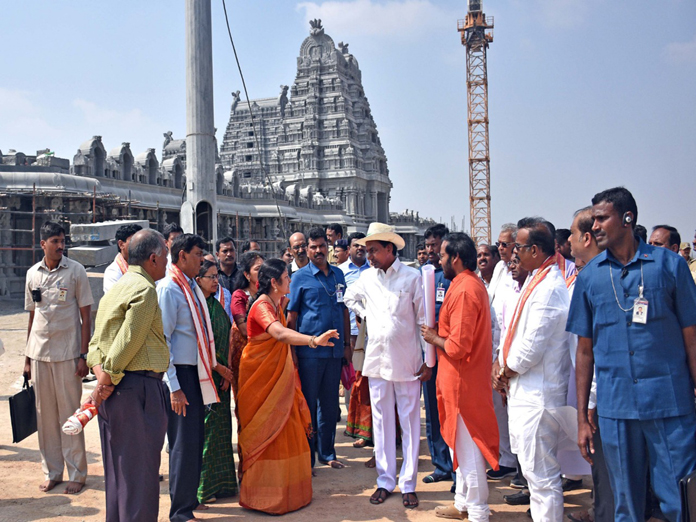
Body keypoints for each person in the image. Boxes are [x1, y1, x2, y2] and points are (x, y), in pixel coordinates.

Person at [568, 187, 696, 522]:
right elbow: (584, 352)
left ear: (627, 218)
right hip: (616, 409)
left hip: (670, 404)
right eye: (592, 219)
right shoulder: (590, 277)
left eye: (601, 218)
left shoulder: (669, 267)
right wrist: (583, 418)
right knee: (625, 505)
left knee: (680, 500)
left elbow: (691, 338)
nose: (594, 226)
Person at [237, 259, 339, 514]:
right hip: (260, 378)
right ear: (274, 282)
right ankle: (264, 497)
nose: (291, 281)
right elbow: (280, 334)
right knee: (265, 432)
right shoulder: (262, 306)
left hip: (278, 377)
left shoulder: (276, 302)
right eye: (287, 277)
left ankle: (289, 492)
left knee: (287, 429)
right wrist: (314, 340)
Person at [344, 222, 431, 509]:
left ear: (389, 249)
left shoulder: (411, 277)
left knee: (409, 423)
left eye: (373, 250)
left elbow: (423, 321)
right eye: (367, 251)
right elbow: (348, 297)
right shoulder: (367, 278)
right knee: (380, 424)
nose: (369, 256)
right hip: (377, 361)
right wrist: (364, 312)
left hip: (407, 361)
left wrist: (429, 359)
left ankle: (408, 483)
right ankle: (385, 481)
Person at [492, 217, 573, 521]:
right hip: (525, 391)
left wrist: (503, 371)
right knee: (535, 472)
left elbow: (531, 348)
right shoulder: (537, 281)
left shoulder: (549, 288)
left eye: (520, 248)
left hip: (537, 395)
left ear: (536, 251)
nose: (515, 253)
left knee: (542, 477)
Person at [87, 229, 170, 521]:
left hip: (117, 391)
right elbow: (127, 341)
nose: (167, 264)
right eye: (166, 257)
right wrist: (105, 382)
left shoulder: (117, 289)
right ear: (153, 259)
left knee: (119, 474)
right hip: (138, 390)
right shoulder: (144, 290)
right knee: (141, 477)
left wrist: (101, 380)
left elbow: (95, 345)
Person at [421, 232, 500, 521]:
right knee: (461, 448)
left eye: (442, 255)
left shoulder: (466, 289)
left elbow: (458, 346)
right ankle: (463, 503)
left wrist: (433, 337)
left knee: (468, 452)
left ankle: (478, 511)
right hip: (457, 382)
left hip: (464, 386)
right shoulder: (463, 284)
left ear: (455, 257)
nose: (438, 259)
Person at [23, 221, 93, 495]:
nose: (60, 245)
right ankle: (52, 471)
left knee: (70, 415)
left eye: (62, 241)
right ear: (43, 244)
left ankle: (77, 473)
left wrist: (83, 355)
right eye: (54, 241)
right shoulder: (32, 274)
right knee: (45, 417)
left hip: (68, 355)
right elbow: (32, 315)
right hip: (39, 353)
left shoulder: (75, 271)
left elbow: (87, 316)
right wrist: (27, 359)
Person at [157, 233, 220, 522]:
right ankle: (180, 512)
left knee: (195, 440)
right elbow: (163, 342)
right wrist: (174, 386)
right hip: (180, 374)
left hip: (196, 372)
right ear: (181, 256)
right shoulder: (171, 289)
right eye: (197, 254)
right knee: (182, 443)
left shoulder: (191, 287)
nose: (201, 260)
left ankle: (189, 499)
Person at [287, 227, 351, 469]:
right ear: (306, 250)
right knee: (309, 404)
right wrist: (293, 349)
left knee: (329, 404)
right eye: (312, 247)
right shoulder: (300, 278)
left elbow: (343, 310)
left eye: (321, 246)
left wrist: (346, 345)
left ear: (329, 247)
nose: (317, 251)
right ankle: (307, 455)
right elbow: (292, 317)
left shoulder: (338, 276)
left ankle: (327, 453)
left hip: (334, 352)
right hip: (309, 354)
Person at [565, 206, 614, 522]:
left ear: (586, 237)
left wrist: (591, 401)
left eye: (571, 234)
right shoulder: (585, 276)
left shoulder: (602, 279)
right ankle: (601, 508)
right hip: (590, 391)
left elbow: (595, 347)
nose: (567, 241)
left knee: (608, 463)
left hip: (604, 393)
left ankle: (605, 512)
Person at [194, 260, 238, 505]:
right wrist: (220, 371)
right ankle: (205, 487)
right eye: (210, 276)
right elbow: (199, 346)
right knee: (208, 435)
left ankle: (224, 485)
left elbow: (227, 337)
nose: (215, 280)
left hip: (224, 378)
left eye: (216, 276)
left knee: (222, 433)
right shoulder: (197, 307)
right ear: (198, 279)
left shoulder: (215, 304)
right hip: (208, 379)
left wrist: (228, 371)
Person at [421, 224, 455, 485]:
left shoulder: (454, 276)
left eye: (436, 245)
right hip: (430, 352)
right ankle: (440, 464)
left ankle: (457, 468)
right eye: (428, 245)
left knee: (453, 412)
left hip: (451, 353)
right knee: (432, 410)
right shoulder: (425, 276)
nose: (431, 250)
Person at [487, 224, 518, 481]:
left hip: (511, 353)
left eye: (505, 244)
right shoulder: (499, 269)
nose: (501, 248)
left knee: (512, 409)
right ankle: (505, 458)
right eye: (499, 244)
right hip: (493, 349)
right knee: (498, 409)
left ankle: (517, 462)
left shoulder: (523, 271)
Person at [340, 232, 372, 449]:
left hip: (371, 335)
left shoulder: (375, 270)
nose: (360, 249)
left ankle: (368, 430)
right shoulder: (340, 272)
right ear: (348, 248)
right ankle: (354, 426)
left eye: (363, 246)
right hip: (348, 334)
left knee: (368, 384)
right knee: (352, 383)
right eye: (356, 245)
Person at [228, 250, 265, 397]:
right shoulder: (240, 295)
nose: (262, 273)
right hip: (245, 355)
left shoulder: (269, 295)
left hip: (266, 354)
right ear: (247, 275)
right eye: (257, 269)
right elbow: (243, 329)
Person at [103, 223, 142, 293]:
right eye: (135, 242)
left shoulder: (147, 264)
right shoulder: (113, 271)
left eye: (142, 242)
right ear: (121, 244)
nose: (140, 246)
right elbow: (116, 300)